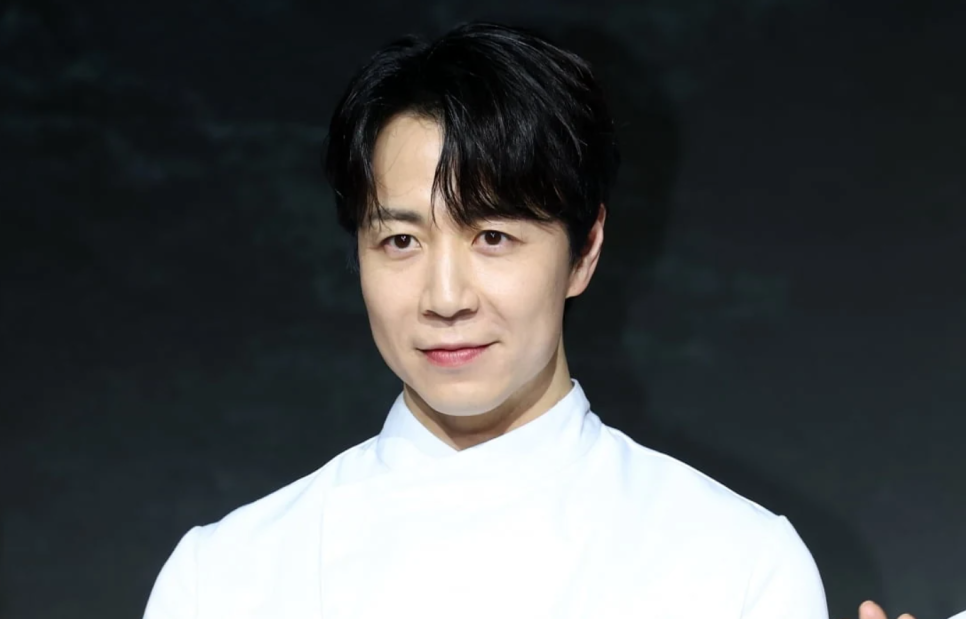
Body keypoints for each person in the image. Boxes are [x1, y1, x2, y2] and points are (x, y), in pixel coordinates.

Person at [143, 21, 829, 618]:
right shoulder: (223, 577)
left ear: (584, 251)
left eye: (493, 237)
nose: (445, 298)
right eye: (401, 241)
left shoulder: (737, 564)